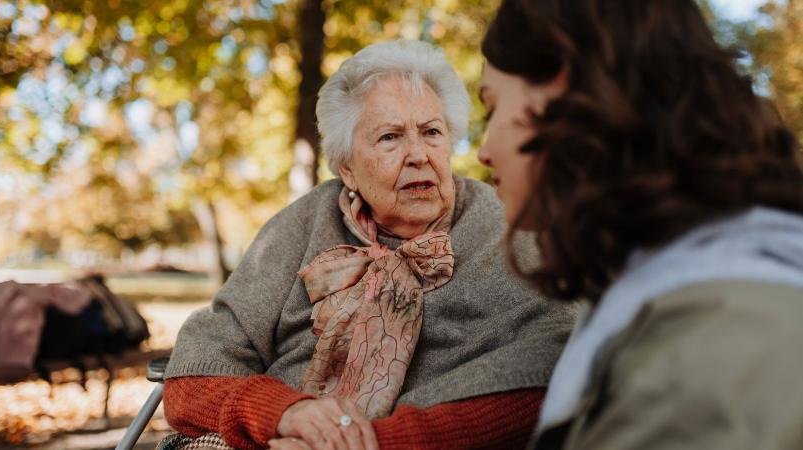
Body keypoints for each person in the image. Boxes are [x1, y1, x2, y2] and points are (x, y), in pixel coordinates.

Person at [160, 40, 576, 450]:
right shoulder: (304, 223)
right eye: (390, 137)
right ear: (348, 169)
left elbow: (555, 365)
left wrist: (369, 443)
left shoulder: (505, 225)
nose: (418, 154)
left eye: (432, 132)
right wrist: (286, 414)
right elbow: (196, 368)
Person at [477, 1, 803, 449]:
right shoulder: (669, 300)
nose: (483, 150)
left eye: (491, 108)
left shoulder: (714, 343)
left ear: (564, 87)